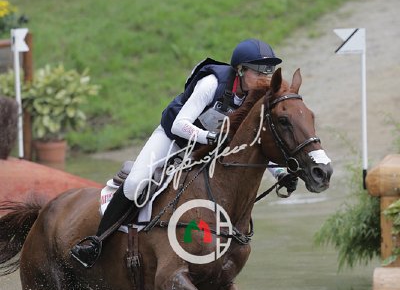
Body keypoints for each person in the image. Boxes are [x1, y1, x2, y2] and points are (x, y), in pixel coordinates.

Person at [71, 38, 297, 268]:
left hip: (206, 148)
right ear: (240, 70)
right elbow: (180, 124)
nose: (265, 78)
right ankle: (97, 242)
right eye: (259, 71)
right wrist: (210, 138)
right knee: (135, 184)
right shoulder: (212, 83)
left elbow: (254, 143)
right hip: (173, 139)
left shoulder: (258, 98)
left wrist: (279, 172)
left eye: (269, 71)